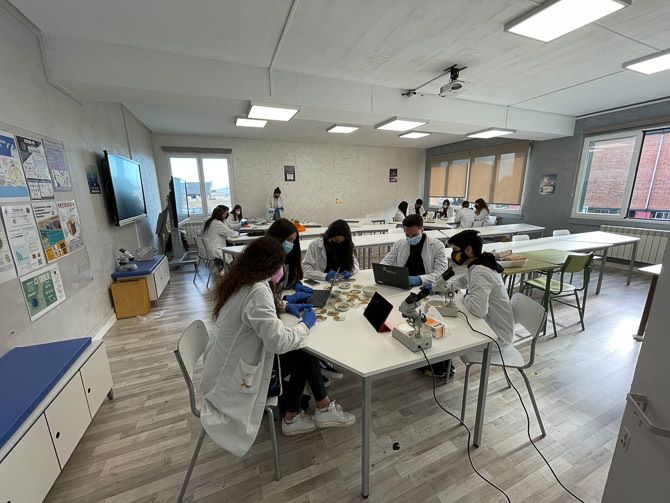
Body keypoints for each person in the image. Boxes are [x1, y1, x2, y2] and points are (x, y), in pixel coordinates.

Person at [200, 237, 355, 454]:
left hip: (223, 364)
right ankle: (300, 415)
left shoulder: (242, 280)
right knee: (302, 354)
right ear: (270, 266)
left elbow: (259, 314)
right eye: (279, 265)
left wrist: (284, 305)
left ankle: (316, 407)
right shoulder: (257, 290)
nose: (281, 270)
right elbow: (279, 342)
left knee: (302, 353)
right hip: (232, 380)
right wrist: (305, 325)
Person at [266, 218, 345, 383]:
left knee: (305, 345)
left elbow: (274, 293)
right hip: (262, 356)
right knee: (303, 348)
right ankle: (318, 377)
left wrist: (294, 288)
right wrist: (287, 303)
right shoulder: (258, 282)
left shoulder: (281, 260)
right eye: (288, 240)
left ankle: (319, 391)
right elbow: (278, 339)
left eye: (293, 241)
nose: (291, 245)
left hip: (275, 319)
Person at [446, 229, 514, 354]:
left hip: (496, 337)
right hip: (490, 325)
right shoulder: (480, 264)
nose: (453, 254)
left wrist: (465, 296)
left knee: (448, 335)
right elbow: (464, 280)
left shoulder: (481, 271)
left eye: (455, 250)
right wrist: (444, 286)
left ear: (468, 250)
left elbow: (478, 310)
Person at [380, 214, 448, 287]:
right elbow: (387, 261)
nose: (411, 238)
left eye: (414, 235)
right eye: (407, 235)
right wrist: (381, 270)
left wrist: (420, 279)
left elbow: (441, 272)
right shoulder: (399, 244)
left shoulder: (437, 246)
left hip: (425, 284)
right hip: (403, 283)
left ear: (422, 230)